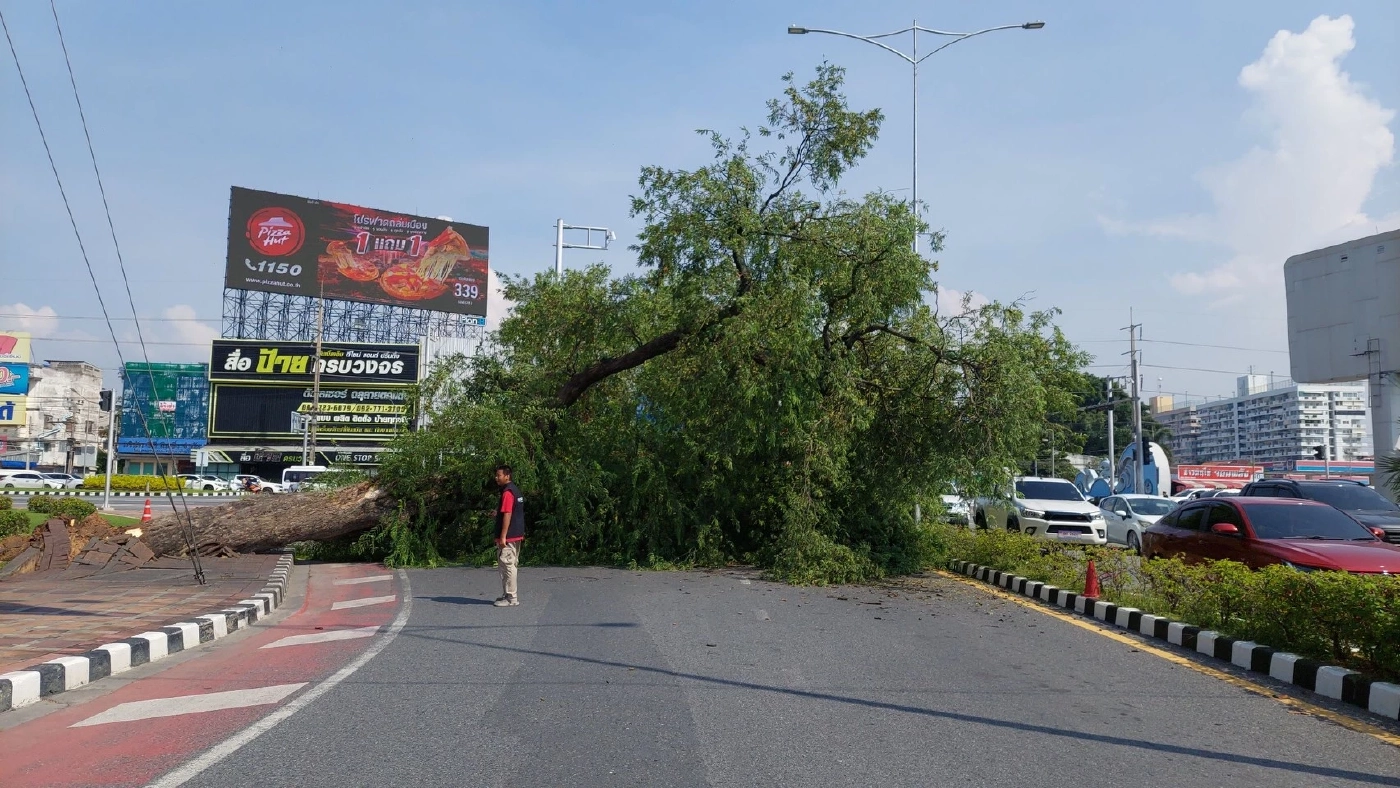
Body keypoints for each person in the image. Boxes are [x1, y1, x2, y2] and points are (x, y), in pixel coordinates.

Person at [492, 464, 526, 607]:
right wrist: (496, 514)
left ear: (507, 476)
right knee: (509, 564)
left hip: (509, 536)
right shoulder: (515, 490)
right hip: (517, 533)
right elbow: (509, 511)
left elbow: (508, 514)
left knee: (507, 565)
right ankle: (507, 593)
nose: (496, 478)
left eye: (499, 475)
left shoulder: (507, 493)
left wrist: (503, 536)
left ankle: (511, 597)